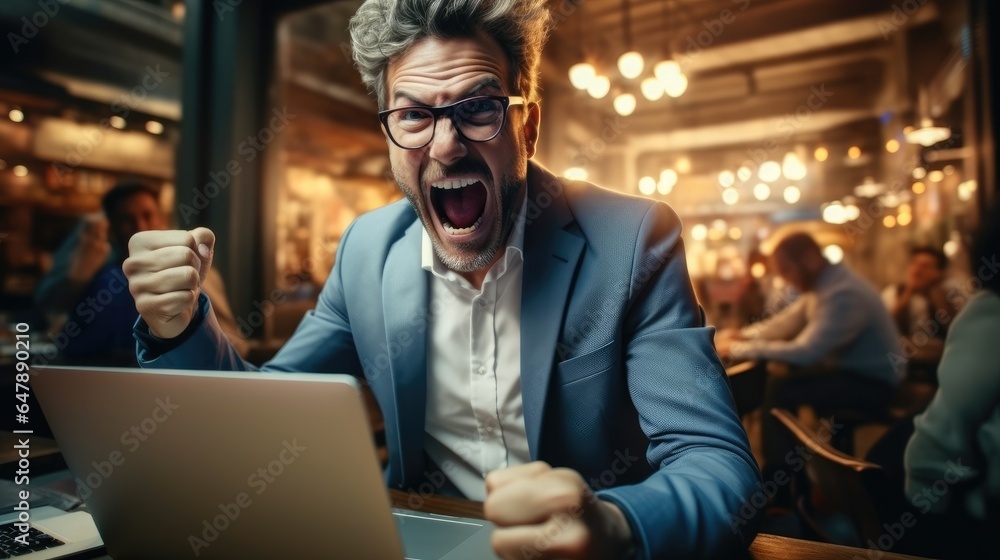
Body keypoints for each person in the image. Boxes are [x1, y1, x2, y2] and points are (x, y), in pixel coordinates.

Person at [122, 1, 762, 558]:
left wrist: (617, 526)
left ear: (527, 127)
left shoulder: (632, 239)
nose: (447, 145)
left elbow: (719, 466)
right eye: (414, 116)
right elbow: (272, 416)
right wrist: (178, 329)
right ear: (392, 139)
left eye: (479, 108)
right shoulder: (368, 249)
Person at [716, 233, 902, 484]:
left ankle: (778, 480)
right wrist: (740, 336)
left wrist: (738, 349)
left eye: (786, 270)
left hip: (874, 386)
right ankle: (792, 477)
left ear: (811, 259)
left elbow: (807, 352)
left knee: (781, 387)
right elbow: (783, 324)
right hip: (851, 374)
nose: (785, 279)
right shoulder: (824, 285)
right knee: (780, 380)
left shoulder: (843, 293)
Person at [35, 181, 247, 362]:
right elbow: (50, 307)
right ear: (112, 227)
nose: (140, 225)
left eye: (148, 215)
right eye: (127, 220)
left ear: (162, 219)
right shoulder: (95, 273)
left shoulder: (192, 272)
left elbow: (234, 344)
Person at [901, 210, 999, 557]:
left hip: (934, 380)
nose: (919, 273)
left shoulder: (960, 300)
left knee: (909, 432)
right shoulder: (898, 294)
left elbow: (956, 341)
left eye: (927, 267)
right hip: (911, 375)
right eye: (915, 267)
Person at [881, 246, 957, 378]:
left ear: (939, 272)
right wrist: (908, 293)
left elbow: (953, 327)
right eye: (915, 264)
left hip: (942, 360)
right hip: (902, 360)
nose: (918, 270)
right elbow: (883, 327)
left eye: (925, 266)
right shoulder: (893, 293)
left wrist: (936, 293)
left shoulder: (950, 293)